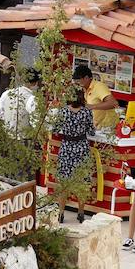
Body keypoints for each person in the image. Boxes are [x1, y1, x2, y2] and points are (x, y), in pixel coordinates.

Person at [54, 89, 96, 223]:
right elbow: (92, 132)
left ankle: (61, 213)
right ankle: (81, 212)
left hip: (66, 147)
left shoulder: (63, 111)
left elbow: (55, 129)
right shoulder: (86, 112)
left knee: (64, 182)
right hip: (81, 148)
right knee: (82, 181)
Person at [73, 63, 119, 136]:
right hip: (96, 128)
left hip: (107, 128)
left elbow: (113, 103)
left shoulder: (99, 86)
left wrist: (92, 106)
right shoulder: (83, 88)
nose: (77, 83)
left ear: (86, 78)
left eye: (78, 81)